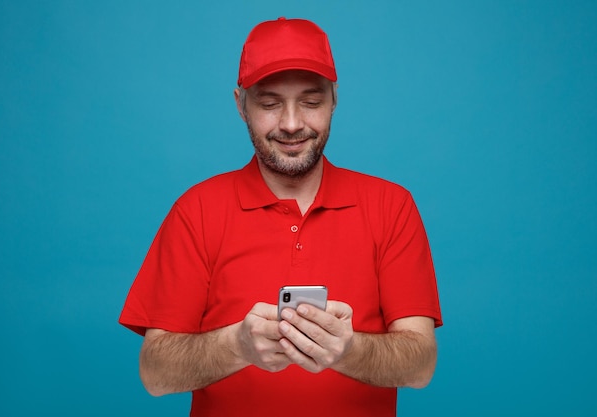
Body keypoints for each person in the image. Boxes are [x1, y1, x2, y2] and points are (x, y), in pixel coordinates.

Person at [119, 17, 442, 417]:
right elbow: (155, 373)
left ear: (334, 99)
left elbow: (420, 363)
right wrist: (237, 345)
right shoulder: (196, 211)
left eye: (311, 102)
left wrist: (349, 349)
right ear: (240, 104)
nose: (291, 124)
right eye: (270, 104)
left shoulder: (391, 206)